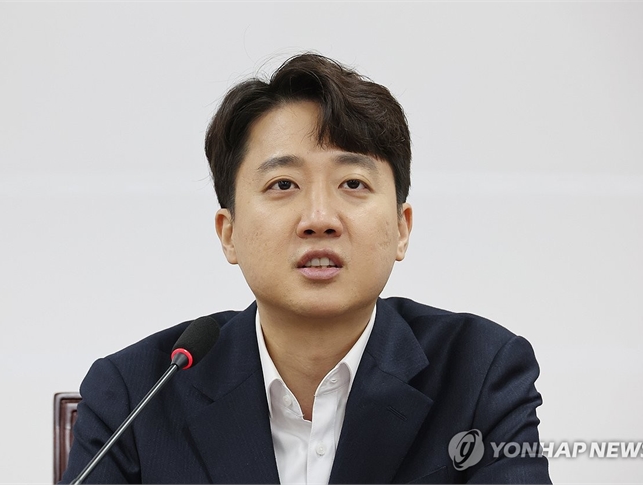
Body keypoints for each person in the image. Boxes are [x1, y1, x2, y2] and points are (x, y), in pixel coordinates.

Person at [61, 53, 551, 484]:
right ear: (229, 233)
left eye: (353, 184)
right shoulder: (137, 393)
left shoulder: (478, 373)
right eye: (283, 185)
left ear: (402, 228)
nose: (319, 218)